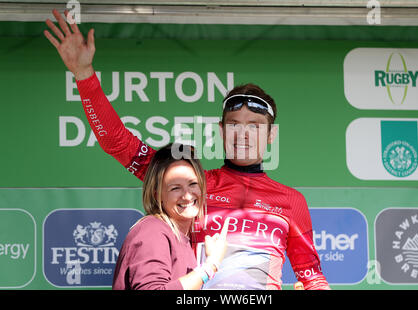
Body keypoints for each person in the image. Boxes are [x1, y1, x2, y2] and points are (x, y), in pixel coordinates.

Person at [44, 9, 330, 290]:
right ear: (220, 131)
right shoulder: (191, 186)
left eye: (254, 125)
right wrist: (84, 75)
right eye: (233, 124)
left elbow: (312, 277)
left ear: (271, 135)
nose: (242, 134)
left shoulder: (292, 201)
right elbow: (117, 142)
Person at [112, 143, 228, 290]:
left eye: (193, 184)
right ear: (157, 194)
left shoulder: (179, 237)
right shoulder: (152, 230)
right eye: (175, 188)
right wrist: (211, 265)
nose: (187, 195)